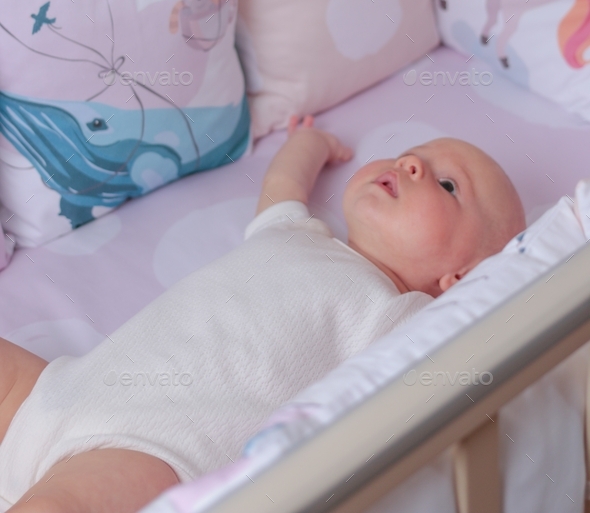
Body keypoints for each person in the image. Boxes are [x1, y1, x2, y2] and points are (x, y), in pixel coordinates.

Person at [0, 117, 525, 513]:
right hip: (63, 387)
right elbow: (282, 187)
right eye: (411, 154)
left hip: (152, 449)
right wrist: (310, 142)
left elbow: (489, 326)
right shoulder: (296, 232)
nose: (413, 165)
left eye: (448, 186)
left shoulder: (403, 317)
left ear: (459, 280)